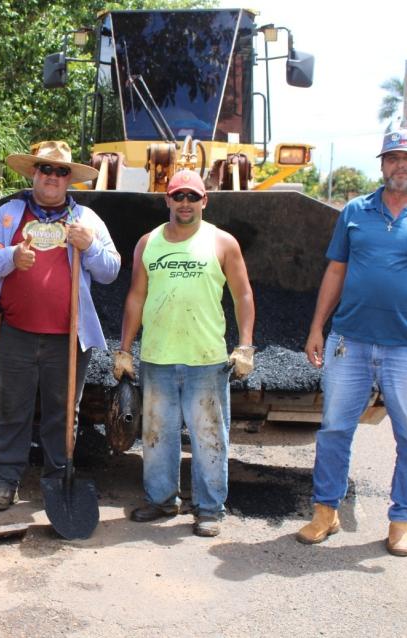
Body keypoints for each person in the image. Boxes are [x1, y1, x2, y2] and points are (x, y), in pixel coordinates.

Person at [296, 130, 407, 556]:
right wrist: (317, 326)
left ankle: (401, 520)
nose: (399, 166)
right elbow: (335, 272)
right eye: (392, 158)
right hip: (349, 343)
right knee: (334, 429)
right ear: (382, 165)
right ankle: (325, 511)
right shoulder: (356, 211)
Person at [0, 140, 121, 510]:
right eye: (46, 169)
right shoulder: (9, 215)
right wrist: (11, 257)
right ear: (34, 173)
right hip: (15, 334)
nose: (53, 177)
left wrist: (89, 246)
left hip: (67, 338)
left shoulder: (87, 220)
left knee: (63, 412)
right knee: (13, 408)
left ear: (69, 178)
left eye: (60, 171)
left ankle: (57, 479)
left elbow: (111, 271)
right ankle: (6, 480)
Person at [115, 169, 254, 537]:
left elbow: (242, 295)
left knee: (209, 436)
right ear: (167, 201)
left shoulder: (223, 243)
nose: (186, 203)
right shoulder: (149, 243)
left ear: (204, 201)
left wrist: (245, 345)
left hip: (206, 360)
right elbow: (136, 297)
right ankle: (162, 500)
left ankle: (209, 509)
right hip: (158, 358)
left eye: (193, 196)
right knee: (157, 435)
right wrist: (125, 349)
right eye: (179, 196)